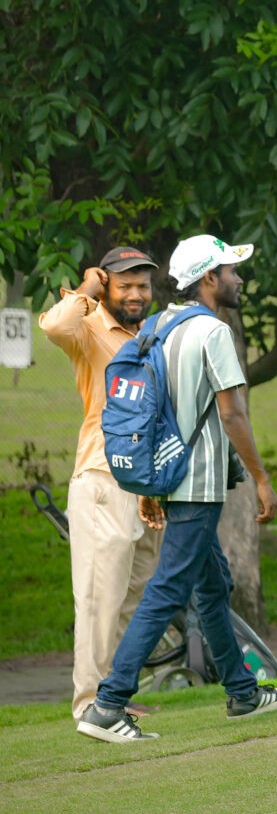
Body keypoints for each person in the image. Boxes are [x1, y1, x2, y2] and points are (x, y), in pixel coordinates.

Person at [76, 236, 277, 744]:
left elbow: (157, 412)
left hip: (171, 478)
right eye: (229, 271)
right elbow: (232, 411)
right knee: (168, 588)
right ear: (208, 279)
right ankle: (107, 704)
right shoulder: (212, 331)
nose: (238, 279)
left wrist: (153, 485)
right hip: (197, 484)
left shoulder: (156, 326)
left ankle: (241, 690)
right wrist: (261, 478)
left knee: (212, 586)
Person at [40, 246, 161, 721]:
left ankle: (114, 694)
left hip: (147, 485)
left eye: (143, 285)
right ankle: (89, 703)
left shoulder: (151, 333)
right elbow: (53, 325)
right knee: (98, 597)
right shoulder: (89, 328)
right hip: (102, 479)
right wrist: (86, 288)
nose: (135, 293)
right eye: (125, 284)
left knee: (134, 595)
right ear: (106, 285)